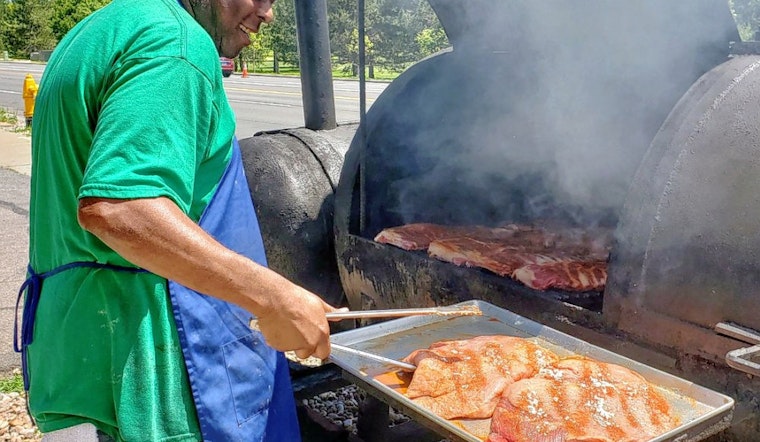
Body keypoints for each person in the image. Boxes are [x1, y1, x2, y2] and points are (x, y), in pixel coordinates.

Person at [15, 0, 344, 440]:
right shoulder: (178, 44)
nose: (269, 13)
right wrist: (272, 297)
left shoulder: (102, 26)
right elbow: (120, 207)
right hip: (153, 367)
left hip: (83, 346)